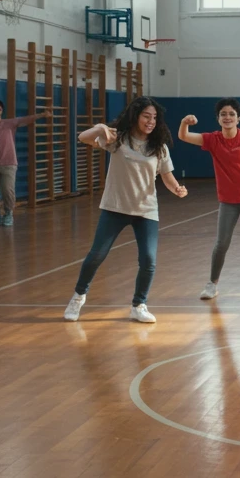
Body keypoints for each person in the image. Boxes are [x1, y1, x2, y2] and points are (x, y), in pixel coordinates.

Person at [63, 96, 188, 324]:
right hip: (115, 207)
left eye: (154, 118)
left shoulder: (158, 147)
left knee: (148, 260)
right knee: (97, 255)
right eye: (146, 116)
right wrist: (101, 127)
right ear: (135, 116)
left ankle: (139, 305)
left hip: (146, 210)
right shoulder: (118, 139)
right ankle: (79, 296)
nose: (151, 121)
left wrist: (177, 188)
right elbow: (83, 137)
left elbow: (167, 177)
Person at [178, 98, 240, 301]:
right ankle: (212, 284)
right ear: (218, 118)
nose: (227, 117)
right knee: (221, 243)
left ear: (238, 118)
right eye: (223, 114)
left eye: (232, 114)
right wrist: (184, 122)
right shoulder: (213, 139)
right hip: (228, 201)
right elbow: (184, 136)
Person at [0, 99, 49, 226]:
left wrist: (42, 115)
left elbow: (26, 119)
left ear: (1, 111)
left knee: (7, 190)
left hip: (9, 164)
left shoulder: (10, 123)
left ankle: (8, 213)